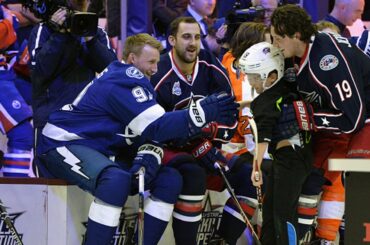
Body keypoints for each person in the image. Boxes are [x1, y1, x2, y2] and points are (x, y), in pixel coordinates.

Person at [40, 33, 239, 245]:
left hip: (100, 147)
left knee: (170, 179)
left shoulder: (140, 83)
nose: (155, 68)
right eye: (151, 62)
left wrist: (151, 151)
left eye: (157, 61)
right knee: (115, 181)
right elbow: (157, 127)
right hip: (64, 141)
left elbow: (148, 132)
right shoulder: (124, 77)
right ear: (132, 59)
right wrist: (200, 112)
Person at [270, 4, 370, 244]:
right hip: (344, 118)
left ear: (295, 35)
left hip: (363, 119)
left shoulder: (327, 61)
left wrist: (308, 118)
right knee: (310, 172)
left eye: (277, 39)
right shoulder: (305, 50)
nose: (274, 45)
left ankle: (356, 238)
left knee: (354, 173)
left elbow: (352, 119)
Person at [151, 16, 255, 245]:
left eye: (197, 37)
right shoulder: (159, 72)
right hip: (168, 152)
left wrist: (206, 138)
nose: (193, 43)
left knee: (252, 177)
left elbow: (230, 120)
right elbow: (154, 129)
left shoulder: (210, 65)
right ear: (171, 40)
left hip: (206, 148)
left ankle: (222, 240)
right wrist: (198, 144)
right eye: (186, 37)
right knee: (194, 174)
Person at [26, 0, 117, 176]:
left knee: (86, 182)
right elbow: (40, 73)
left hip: (84, 122)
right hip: (50, 120)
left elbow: (110, 71)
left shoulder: (95, 32)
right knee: (48, 185)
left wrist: (91, 41)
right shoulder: (43, 30)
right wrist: (60, 35)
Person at [238, 41, 313, 245]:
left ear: (271, 76)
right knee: (271, 214)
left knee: (282, 216)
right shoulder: (287, 85)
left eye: (254, 78)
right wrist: (246, 104)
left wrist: (256, 169)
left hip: (290, 161)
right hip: (299, 156)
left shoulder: (264, 102)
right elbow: (276, 108)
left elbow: (263, 138)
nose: (251, 83)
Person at [0, 4, 34, 177]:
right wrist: (8, 23)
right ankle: (15, 196)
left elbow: (20, 17)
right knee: (22, 135)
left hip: (7, 71)